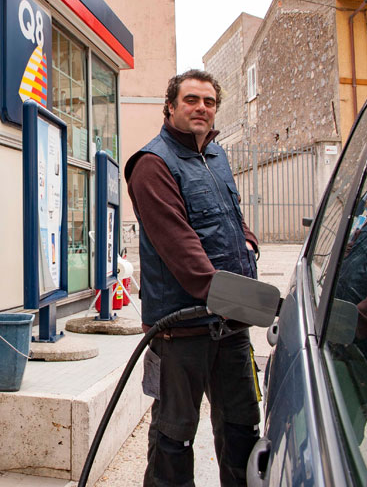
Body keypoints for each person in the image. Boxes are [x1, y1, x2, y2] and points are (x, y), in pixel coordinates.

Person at [124, 69, 261, 486]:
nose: (202, 107)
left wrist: (249, 243)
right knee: (174, 438)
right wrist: (250, 301)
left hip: (230, 327)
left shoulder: (217, 157)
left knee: (242, 430)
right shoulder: (152, 164)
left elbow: (231, 220)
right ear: (169, 106)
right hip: (181, 331)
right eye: (191, 100)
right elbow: (182, 250)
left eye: (209, 102)